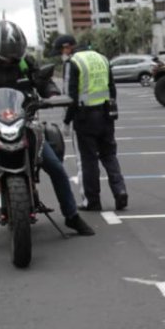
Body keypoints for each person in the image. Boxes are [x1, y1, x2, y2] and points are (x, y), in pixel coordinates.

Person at [0, 21, 94, 256]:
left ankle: (71, 216)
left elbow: (41, 80)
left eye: (14, 56)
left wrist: (51, 94)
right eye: (7, 56)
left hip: (23, 122)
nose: (11, 60)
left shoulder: (23, 60)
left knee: (56, 167)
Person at [54, 34, 128, 212]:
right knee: (109, 156)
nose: (61, 55)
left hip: (85, 117)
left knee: (88, 161)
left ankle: (92, 201)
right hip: (105, 114)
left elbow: (71, 96)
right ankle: (120, 191)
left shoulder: (74, 63)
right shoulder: (102, 58)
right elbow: (112, 88)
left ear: (67, 47)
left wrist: (66, 121)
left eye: (60, 51)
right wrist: (111, 110)